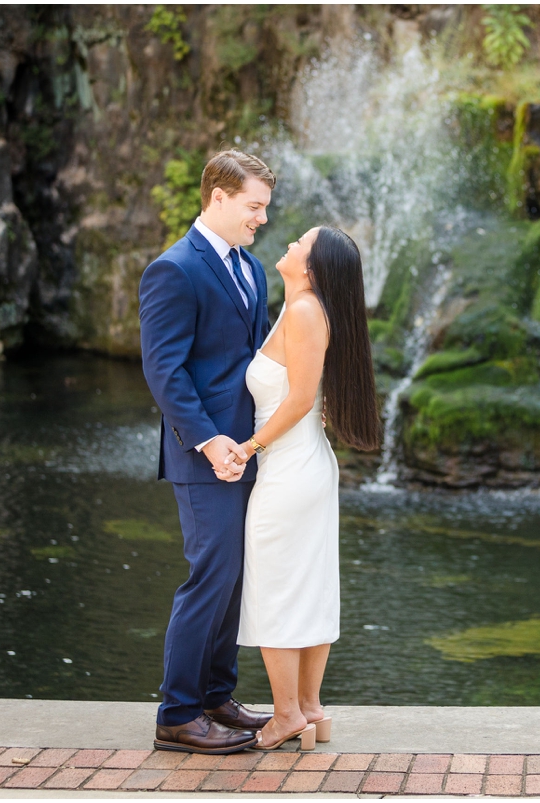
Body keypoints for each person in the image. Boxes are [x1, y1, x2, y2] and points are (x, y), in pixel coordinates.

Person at [138, 150, 277, 754]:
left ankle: (218, 697)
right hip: (203, 456)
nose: (262, 219)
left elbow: (257, 357)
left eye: (265, 208)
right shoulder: (173, 270)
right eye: (254, 206)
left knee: (234, 579)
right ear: (217, 198)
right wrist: (208, 438)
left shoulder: (252, 268)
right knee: (209, 577)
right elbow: (164, 370)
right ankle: (178, 712)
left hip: (249, 450)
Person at [227, 226, 382, 751]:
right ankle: (311, 709)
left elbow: (296, 401)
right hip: (303, 463)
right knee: (309, 583)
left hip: (290, 467)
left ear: (312, 268)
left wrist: (247, 448)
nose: (289, 244)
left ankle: (287, 714)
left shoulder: (304, 312)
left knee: (277, 585)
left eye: (300, 243)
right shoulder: (302, 309)